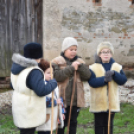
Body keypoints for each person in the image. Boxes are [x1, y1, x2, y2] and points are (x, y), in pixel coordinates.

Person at [11, 42, 57, 134]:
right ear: (39, 56)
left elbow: (12, 85)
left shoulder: (18, 68)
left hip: (20, 106)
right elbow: (41, 90)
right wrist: (53, 82)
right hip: (29, 109)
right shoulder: (34, 71)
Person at [52, 37, 91, 134]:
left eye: (75, 49)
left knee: (73, 122)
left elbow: (88, 76)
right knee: (61, 123)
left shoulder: (80, 61)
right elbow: (57, 77)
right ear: (64, 50)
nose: (74, 52)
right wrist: (71, 68)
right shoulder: (56, 61)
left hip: (75, 99)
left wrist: (80, 67)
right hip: (62, 99)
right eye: (71, 49)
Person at [88, 41, 127, 134]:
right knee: (99, 126)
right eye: (103, 52)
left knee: (109, 126)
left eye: (108, 52)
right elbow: (92, 82)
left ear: (111, 54)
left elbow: (123, 80)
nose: (106, 54)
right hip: (98, 102)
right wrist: (104, 79)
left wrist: (114, 74)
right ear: (99, 54)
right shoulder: (93, 68)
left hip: (111, 103)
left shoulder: (116, 67)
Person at [36, 59, 65, 134]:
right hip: (44, 117)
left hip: (53, 116)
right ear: (41, 73)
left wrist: (62, 112)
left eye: (52, 73)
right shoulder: (41, 85)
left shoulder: (54, 83)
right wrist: (55, 102)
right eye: (48, 73)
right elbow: (41, 100)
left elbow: (59, 97)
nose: (51, 75)